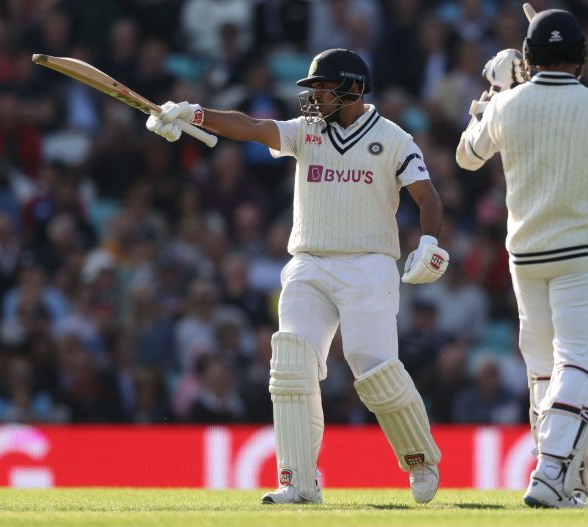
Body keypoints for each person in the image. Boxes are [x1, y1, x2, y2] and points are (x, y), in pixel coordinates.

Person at [145, 48, 448, 505]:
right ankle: (298, 482)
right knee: (291, 365)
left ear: (352, 87)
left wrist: (428, 242)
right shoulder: (307, 131)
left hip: (369, 264)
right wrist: (196, 113)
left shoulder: (394, 138)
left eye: (324, 88)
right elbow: (251, 128)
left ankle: (420, 458)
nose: (315, 97)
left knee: (373, 368)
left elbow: (428, 198)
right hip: (308, 262)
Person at [455, 10, 588, 509]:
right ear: (581, 59)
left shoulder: (507, 105)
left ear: (527, 57)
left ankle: (570, 479)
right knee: (580, 365)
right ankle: (548, 473)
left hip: (525, 258)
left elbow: (465, 156)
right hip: (582, 257)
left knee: (546, 373)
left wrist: (496, 95)